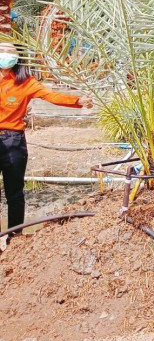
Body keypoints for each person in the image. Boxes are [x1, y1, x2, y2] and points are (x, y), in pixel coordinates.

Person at [0, 42, 92, 238]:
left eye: (9, 52)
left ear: (17, 57)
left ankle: (14, 239)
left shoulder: (26, 82)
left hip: (13, 141)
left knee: (15, 194)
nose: (5, 55)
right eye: (1, 51)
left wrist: (78, 101)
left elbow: (51, 96)